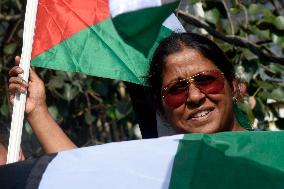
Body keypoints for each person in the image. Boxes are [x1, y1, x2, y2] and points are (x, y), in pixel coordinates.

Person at [8, 32, 246, 154]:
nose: (194, 97)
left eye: (206, 81)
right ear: (161, 110)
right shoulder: (163, 172)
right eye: (176, 90)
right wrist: (37, 111)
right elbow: (84, 180)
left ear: (234, 86)